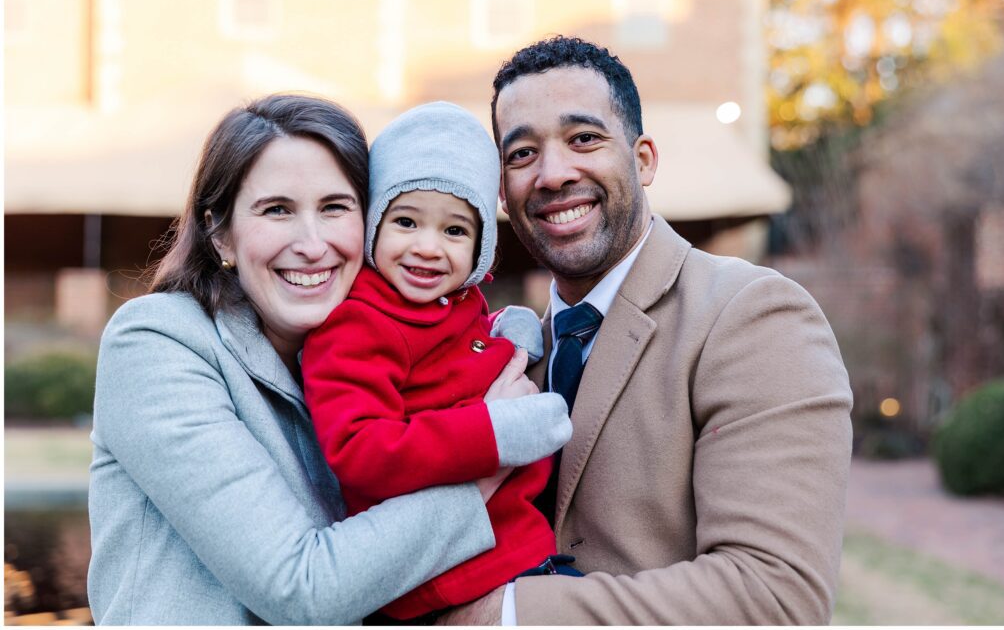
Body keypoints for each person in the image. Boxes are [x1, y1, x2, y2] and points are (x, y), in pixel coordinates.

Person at [87, 94, 571, 625]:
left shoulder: (368, 348)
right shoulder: (157, 341)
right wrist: (492, 456)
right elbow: (300, 588)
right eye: (277, 210)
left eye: (334, 208)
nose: (313, 245)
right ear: (219, 231)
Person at [438, 36, 854, 625]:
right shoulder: (506, 353)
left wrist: (501, 614)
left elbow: (774, 598)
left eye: (583, 138)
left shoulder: (754, 317)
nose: (553, 174)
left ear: (643, 159)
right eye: (522, 153)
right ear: (502, 192)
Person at [303, 101, 577, 621]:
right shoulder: (358, 323)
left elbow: (451, 361)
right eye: (406, 221)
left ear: (479, 248)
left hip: (512, 549)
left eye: (455, 232)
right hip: (446, 579)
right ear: (372, 227)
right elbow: (360, 447)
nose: (428, 248)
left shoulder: (448, 301)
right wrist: (495, 432)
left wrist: (504, 332)